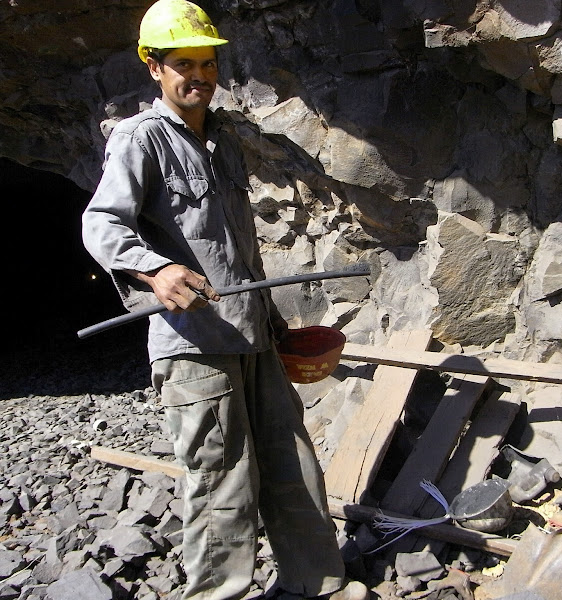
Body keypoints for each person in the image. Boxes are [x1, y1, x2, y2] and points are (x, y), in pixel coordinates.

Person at [82, 2, 364, 599]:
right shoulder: (141, 139)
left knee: (292, 464)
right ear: (153, 67)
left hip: (251, 336)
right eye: (184, 64)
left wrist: (277, 324)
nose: (200, 77)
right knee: (221, 481)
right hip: (194, 348)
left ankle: (316, 585)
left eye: (208, 64)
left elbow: (238, 251)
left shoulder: (224, 142)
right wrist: (155, 270)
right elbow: (102, 224)